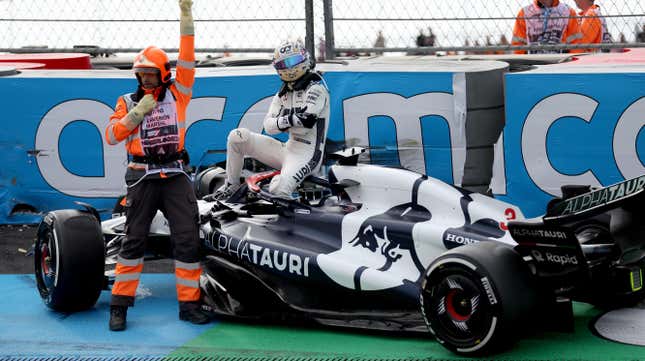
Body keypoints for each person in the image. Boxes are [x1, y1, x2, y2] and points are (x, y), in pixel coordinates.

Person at [104, 0, 209, 331]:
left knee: (188, 238)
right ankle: (119, 306)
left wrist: (186, 17)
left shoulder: (179, 94)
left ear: (163, 74)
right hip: (141, 177)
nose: (146, 80)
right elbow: (112, 134)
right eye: (141, 75)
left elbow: (188, 58)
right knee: (133, 239)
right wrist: (137, 113)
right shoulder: (128, 101)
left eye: (151, 74)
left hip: (175, 174)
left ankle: (189, 305)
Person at [212, 40, 330, 201]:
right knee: (237, 136)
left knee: (279, 191)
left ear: (304, 59)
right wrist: (292, 119)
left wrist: (282, 121)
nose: (288, 67)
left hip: (308, 155)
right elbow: (268, 127)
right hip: (287, 149)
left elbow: (307, 123)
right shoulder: (283, 93)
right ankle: (231, 186)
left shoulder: (317, 88)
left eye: (292, 61)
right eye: (283, 64)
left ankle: (279, 182)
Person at [511, 0, 583, 54]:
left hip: (561, 64)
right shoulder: (524, 13)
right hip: (532, 66)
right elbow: (517, 47)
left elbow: (576, 45)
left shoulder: (568, 11)